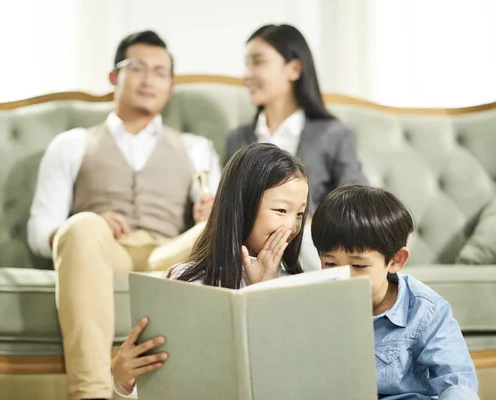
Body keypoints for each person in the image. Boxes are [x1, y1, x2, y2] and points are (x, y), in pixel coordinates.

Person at [27, 31, 221, 400]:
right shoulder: (72, 144)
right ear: (114, 77)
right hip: (107, 251)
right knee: (82, 226)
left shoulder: (196, 148)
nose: (149, 79)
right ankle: (92, 394)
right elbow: (40, 229)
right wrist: (92, 220)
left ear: (170, 86)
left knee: (218, 226)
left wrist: (209, 214)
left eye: (160, 72)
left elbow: (209, 206)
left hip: (168, 253)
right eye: (137, 68)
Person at [111, 143, 310, 398]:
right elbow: (159, 379)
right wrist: (122, 379)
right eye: (281, 210)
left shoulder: (299, 284)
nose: (291, 226)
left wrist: (263, 288)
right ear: (242, 205)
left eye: (299, 214)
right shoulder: (186, 280)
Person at [311, 185, 479, 399]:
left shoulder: (425, 310)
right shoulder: (316, 301)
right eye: (330, 263)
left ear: (395, 260)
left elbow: (457, 380)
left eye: (359, 266)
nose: (344, 276)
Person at [226, 24, 367, 215]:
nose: (246, 76)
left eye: (258, 62)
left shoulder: (333, 135)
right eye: (247, 64)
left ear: (294, 69)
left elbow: (357, 206)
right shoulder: (237, 139)